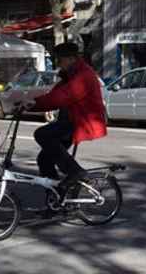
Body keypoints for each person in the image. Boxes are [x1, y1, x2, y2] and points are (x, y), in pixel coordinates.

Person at [25, 42, 107, 187]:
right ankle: (57, 200)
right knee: (44, 160)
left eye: (60, 60)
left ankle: (76, 172)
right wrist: (30, 103)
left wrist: (35, 104)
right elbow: (54, 94)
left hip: (80, 122)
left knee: (42, 134)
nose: (58, 64)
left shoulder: (83, 75)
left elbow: (64, 96)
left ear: (71, 59)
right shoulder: (71, 74)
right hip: (70, 120)